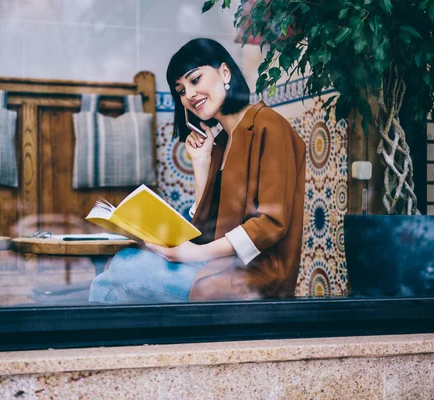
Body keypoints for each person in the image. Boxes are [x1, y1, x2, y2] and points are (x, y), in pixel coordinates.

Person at [89, 38, 306, 303]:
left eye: (195, 80)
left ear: (225, 73)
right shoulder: (223, 141)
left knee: (122, 272)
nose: (189, 95)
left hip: (254, 279)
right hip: (218, 266)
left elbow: (272, 224)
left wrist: (191, 254)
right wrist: (201, 162)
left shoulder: (269, 126)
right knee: (122, 262)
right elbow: (207, 227)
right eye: (180, 90)